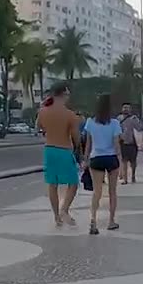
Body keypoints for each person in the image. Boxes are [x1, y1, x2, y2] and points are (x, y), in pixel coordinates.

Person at [37, 80, 81, 227]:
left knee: (52, 184)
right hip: (64, 150)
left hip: (49, 149)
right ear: (63, 94)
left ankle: (56, 216)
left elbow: (39, 127)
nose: (68, 96)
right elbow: (76, 137)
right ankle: (65, 210)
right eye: (67, 94)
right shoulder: (70, 115)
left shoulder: (43, 112)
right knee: (73, 183)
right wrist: (79, 151)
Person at [81, 93, 122, 234]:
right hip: (111, 158)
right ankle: (111, 221)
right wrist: (120, 161)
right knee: (112, 191)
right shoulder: (115, 123)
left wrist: (85, 160)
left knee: (97, 192)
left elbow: (88, 144)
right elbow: (116, 145)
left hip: (96, 158)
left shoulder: (90, 122)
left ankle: (93, 220)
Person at [117, 102, 142, 185]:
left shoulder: (133, 118)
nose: (125, 109)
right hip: (122, 142)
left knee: (133, 161)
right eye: (124, 107)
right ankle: (125, 179)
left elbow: (139, 128)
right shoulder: (118, 119)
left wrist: (137, 121)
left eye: (127, 108)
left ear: (130, 109)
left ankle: (133, 176)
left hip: (132, 142)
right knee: (123, 161)